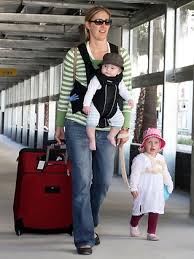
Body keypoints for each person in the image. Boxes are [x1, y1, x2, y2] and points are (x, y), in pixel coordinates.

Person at [55, 6, 132, 255]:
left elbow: (126, 91)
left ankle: (88, 221)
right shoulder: (74, 55)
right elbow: (66, 92)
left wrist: (126, 127)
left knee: (103, 183)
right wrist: (59, 124)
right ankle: (84, 237)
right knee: (81, 181)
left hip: (109, 127)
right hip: (79, 124)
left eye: (108, 21)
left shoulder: (122, 55)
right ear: (87, 24)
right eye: (98, 21)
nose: (103, 25)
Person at [129, 128, 173, 241]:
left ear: (160, 146)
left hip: (156, 190)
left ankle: (151, 233)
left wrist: (169, 184)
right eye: (149, 142)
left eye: (156, 142)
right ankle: (134, 224)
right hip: (143, 189)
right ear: (144, 144)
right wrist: (133, 188)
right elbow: (135, 174)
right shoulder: (140, 159)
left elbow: (165, 173)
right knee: (140, 210)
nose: (153, 145)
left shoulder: (161, 159)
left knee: (155, 209)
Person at [82, 52, 134, 150]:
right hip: (97, 106)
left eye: (112, 68)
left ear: (118, 72)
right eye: (105, 66)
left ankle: (111, 136)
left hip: (112, 107)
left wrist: (129, 99)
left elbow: (123, 91)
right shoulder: (97, 79)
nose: (108, 69)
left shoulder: (119, 80)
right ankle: (92, 139)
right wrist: (86, 105)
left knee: (120, 121)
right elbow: (90, 91)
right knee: (91, 122)